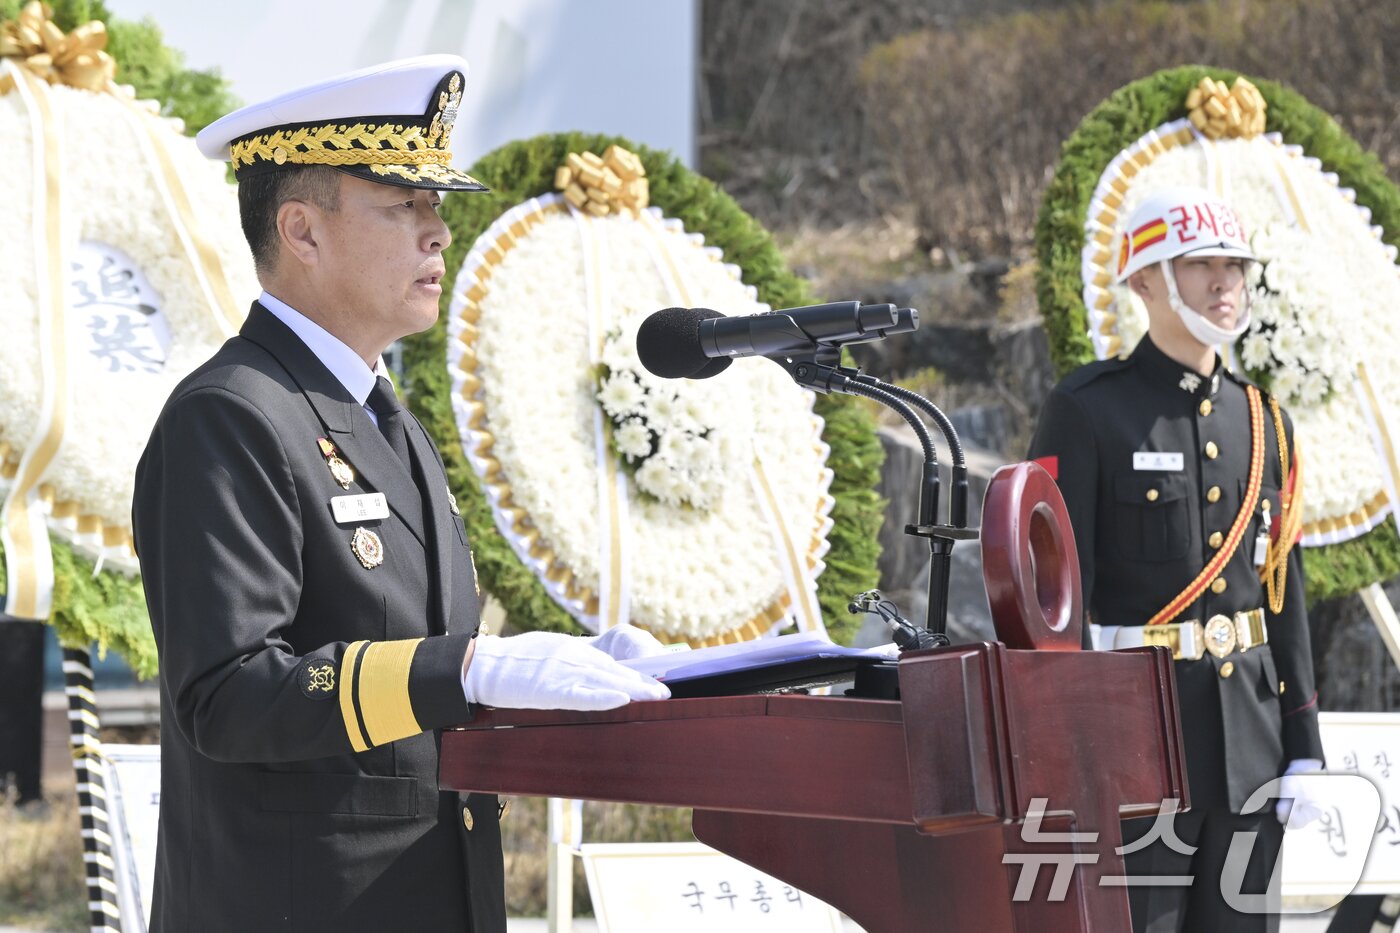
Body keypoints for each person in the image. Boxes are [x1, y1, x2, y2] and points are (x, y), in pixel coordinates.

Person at [132, 56, 669, 933]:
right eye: (403, 207)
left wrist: (549, 672)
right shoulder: (230, 415)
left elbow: (407, 663)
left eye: (436, 207)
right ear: (301, 230)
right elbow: (227, 695)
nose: (438, 234)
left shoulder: (382, 416)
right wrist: (467, 666)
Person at [1028, 187, 1326, 932]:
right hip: (1135, 743)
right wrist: (1062, 749)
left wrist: (1304, 742)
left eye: (1235, 265)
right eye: (1198, 265)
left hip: (1251, 747)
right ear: (1144, 281)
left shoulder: (1263, 420)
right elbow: (1056, 599)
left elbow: (1283, 592)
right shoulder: (1090, 407)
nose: (1224, 282)